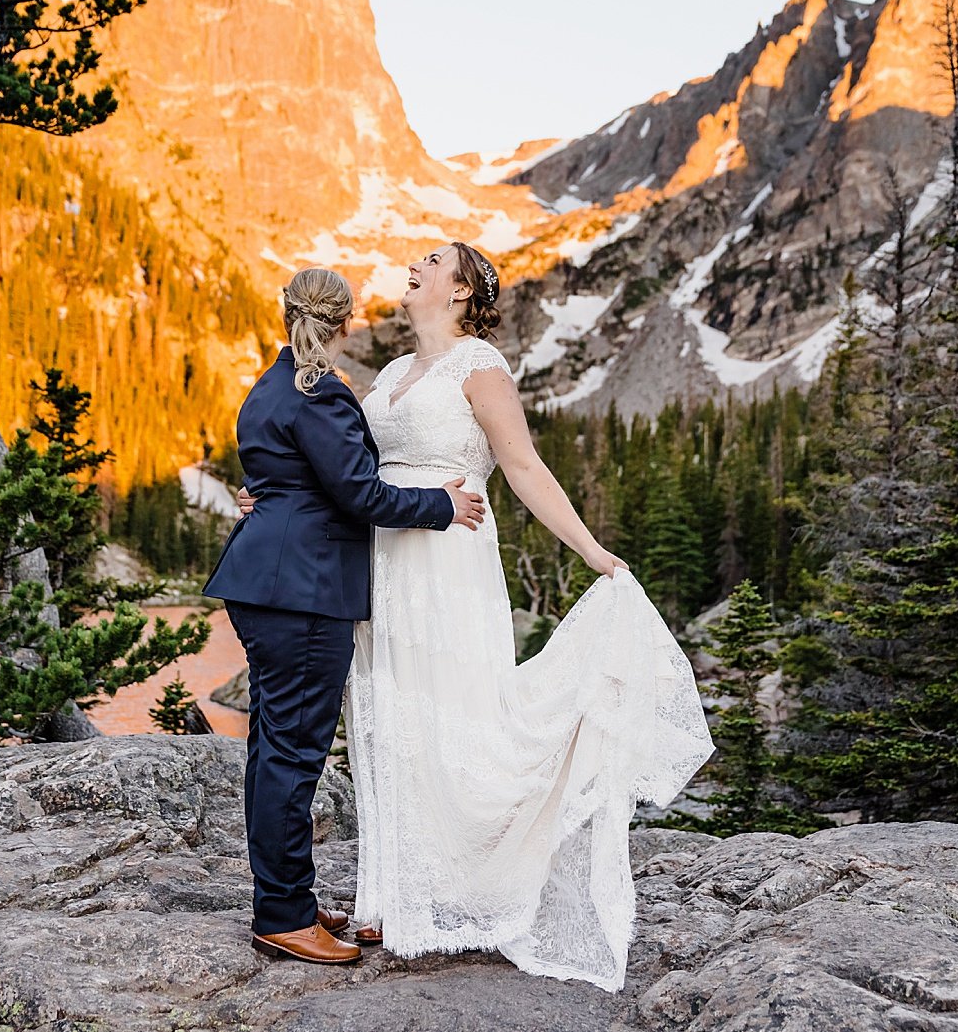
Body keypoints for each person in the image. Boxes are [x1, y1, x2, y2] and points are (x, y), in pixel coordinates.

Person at [239, 243, 712, 991]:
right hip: (379, 566)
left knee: (454, 716)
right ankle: (394, 897)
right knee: (390, 723)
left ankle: (468, 886)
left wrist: (591, 549)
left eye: (430, 259)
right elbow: (340, 468)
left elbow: (522, 466)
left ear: (461, 289)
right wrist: (278, 498)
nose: (412, 265)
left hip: (447, 560)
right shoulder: (390, 374)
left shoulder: (480, 364)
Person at [203, 266, 487, 966]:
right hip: (305, 590)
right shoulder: (318, 392)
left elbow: (284, 481)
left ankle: (289, 901)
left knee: (272, 747)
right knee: (293, 755)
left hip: (269, 580)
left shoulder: (267, 387)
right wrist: (442, 507)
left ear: (286, 316)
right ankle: (281, 916)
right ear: (343, 323)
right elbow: (360, 493)